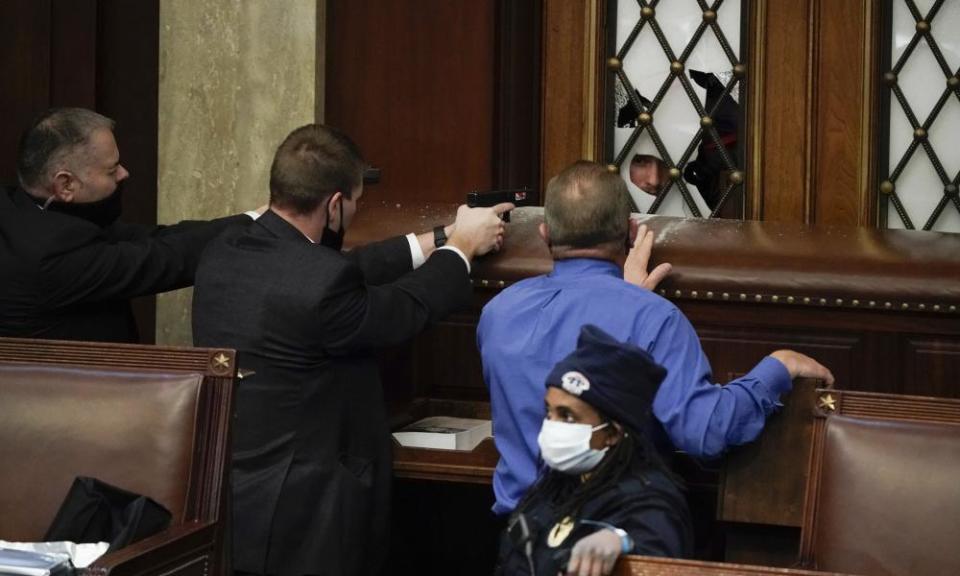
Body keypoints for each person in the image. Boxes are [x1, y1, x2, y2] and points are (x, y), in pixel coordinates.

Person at [191, 123, 512, 576]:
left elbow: (337, 269)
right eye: (358, 201)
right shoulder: (321, 282)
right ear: (335, 204)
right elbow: (402, 309)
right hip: (310, 510)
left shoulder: (225, 251)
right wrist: (461, 249)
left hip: (235, 492)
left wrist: (437, 238)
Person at [478, 160, 834, 516]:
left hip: (520, 542)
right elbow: (706, 433)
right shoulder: (651, 317)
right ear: (632, 231)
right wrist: (777, 367)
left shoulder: (498, 312)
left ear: (545, 234)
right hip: (616, 543)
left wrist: (628, 299)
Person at [0, 107, 257, 343]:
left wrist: (252, 218)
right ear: (66, 184)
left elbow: (154, 238)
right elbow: (162, 259)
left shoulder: (26, 207)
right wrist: (266, 222)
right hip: (72, 391)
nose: (124, 173)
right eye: (111, 171)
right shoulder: (48, 256)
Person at [497, 324, 693, 576]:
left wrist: (621, 539)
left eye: (568, 417)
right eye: (549, 412)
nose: (552, 426)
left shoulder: (649, 500)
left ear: (611, 433)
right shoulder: (558, 484)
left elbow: (655, 547)